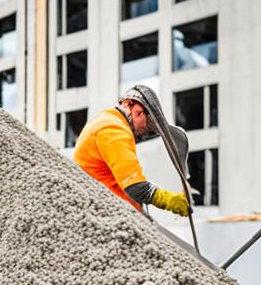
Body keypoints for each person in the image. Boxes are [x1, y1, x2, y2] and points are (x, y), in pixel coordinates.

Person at [73, 85, 190, 216]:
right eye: (143, 129)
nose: (139, 135)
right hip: (111, 214)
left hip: (107, 208)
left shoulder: (106, 120)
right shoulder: (113, 130)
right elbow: (135, 187)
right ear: (137, 110)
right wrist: (168, 200)